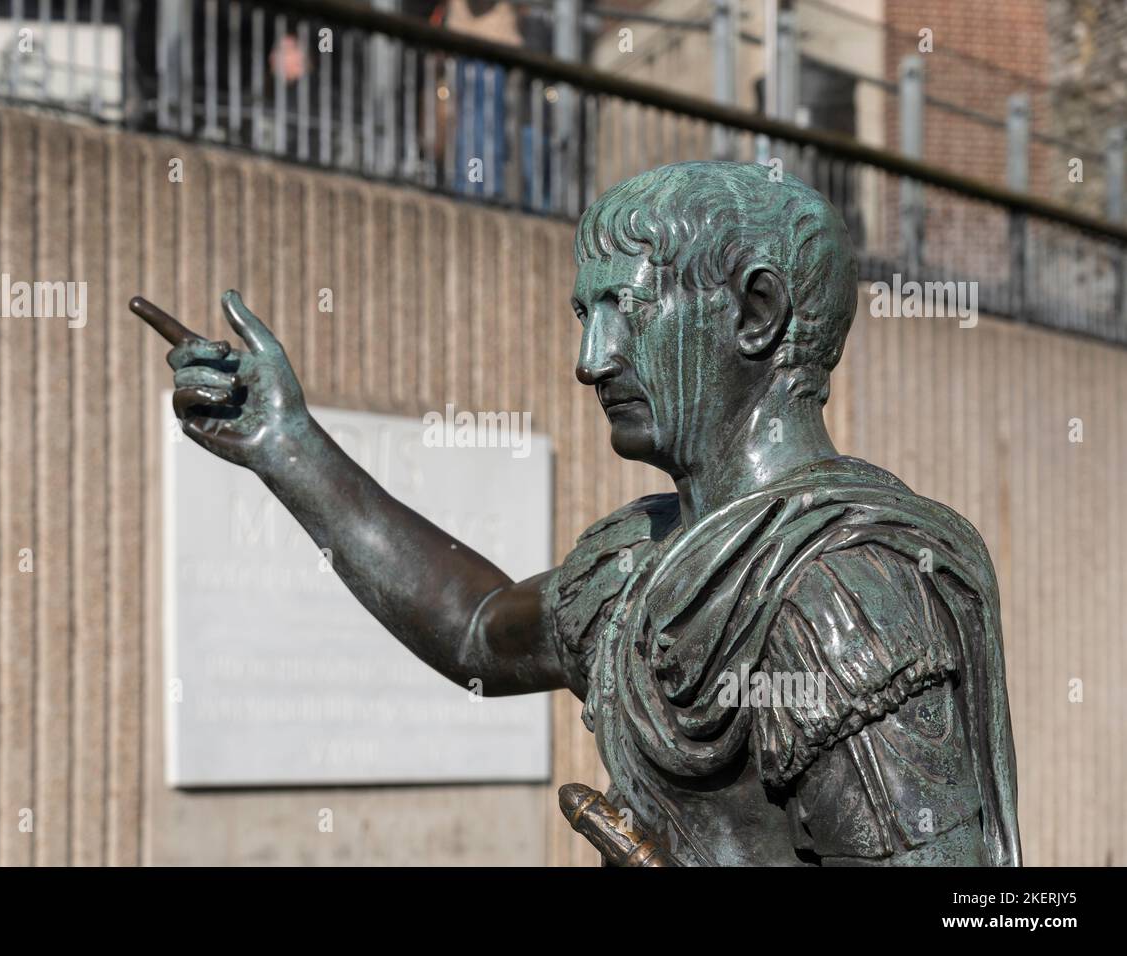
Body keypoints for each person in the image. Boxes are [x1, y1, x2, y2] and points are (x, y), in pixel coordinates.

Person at [152, 161, 1021, 866]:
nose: (590, 360)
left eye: (625, 311)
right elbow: (476, 631)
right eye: (583, 315)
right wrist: (286, 445)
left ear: (755, 314)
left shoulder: (839, 594)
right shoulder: (634, 561)